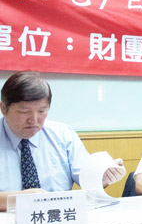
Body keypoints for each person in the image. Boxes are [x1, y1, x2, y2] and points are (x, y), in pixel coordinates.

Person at [0, 71, 126, 211]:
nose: (34, 120)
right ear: (3, 108)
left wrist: (104, 176)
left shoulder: (63, 134)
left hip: (58, 218)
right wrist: (20, 199)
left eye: (41, 111)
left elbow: (87, 179)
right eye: (24, 112)